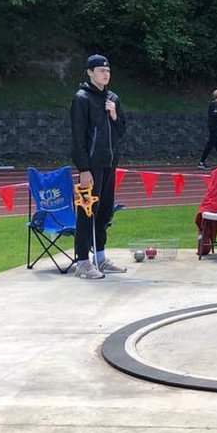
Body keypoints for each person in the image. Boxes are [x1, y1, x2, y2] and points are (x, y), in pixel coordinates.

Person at [70, 54, 128, 279]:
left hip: (110, 164)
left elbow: (122, 129)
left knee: (104, 213)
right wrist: (83, 168)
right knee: (86, 212)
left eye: (108, 71)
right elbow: (78, 138)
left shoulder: (113, 98)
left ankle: (101, 258)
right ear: (90, 72)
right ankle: (83, 262)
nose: (106, 74)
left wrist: (114, 114)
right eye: (101, 70)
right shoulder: (82, 98)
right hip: (91, 167)